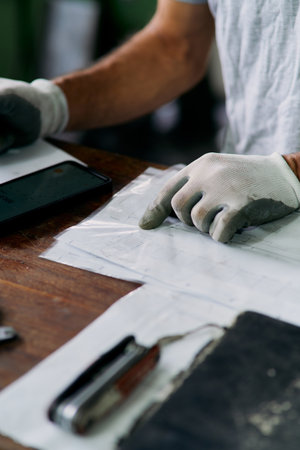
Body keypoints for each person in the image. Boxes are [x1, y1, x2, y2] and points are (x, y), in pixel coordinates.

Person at [0, 0, 300, 242]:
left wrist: (291, 171)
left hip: (268, 184)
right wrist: (52, 103)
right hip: (238, 196)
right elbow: (174, 43)